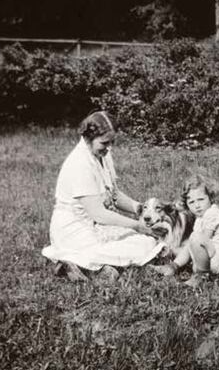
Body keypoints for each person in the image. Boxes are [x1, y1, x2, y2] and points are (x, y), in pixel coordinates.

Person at [42, 111, 163, 281]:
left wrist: (140, 209)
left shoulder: (102, 154)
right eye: (105, 143)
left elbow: (113, 194)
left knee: (146, 241)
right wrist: (137, 225)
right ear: (87, 138)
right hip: (73, 229)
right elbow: (99, 214)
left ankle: (88, 266)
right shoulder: (79, 164)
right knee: (137, 242)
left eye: (112, 142)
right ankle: (81, 265)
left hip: (95, 225)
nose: (109, 148)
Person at [150, 174, 219, 287]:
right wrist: (177, 264)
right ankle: (173, 267)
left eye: (201, 199)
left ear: (210, 198)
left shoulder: (213, 213)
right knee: (193, 240)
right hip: (216, 257)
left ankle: (202, 276)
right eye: (191, 202)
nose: (197, 206)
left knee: (195, 238)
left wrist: (196, 260)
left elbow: (202, 240)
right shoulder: (200, 219)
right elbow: (194, 245)